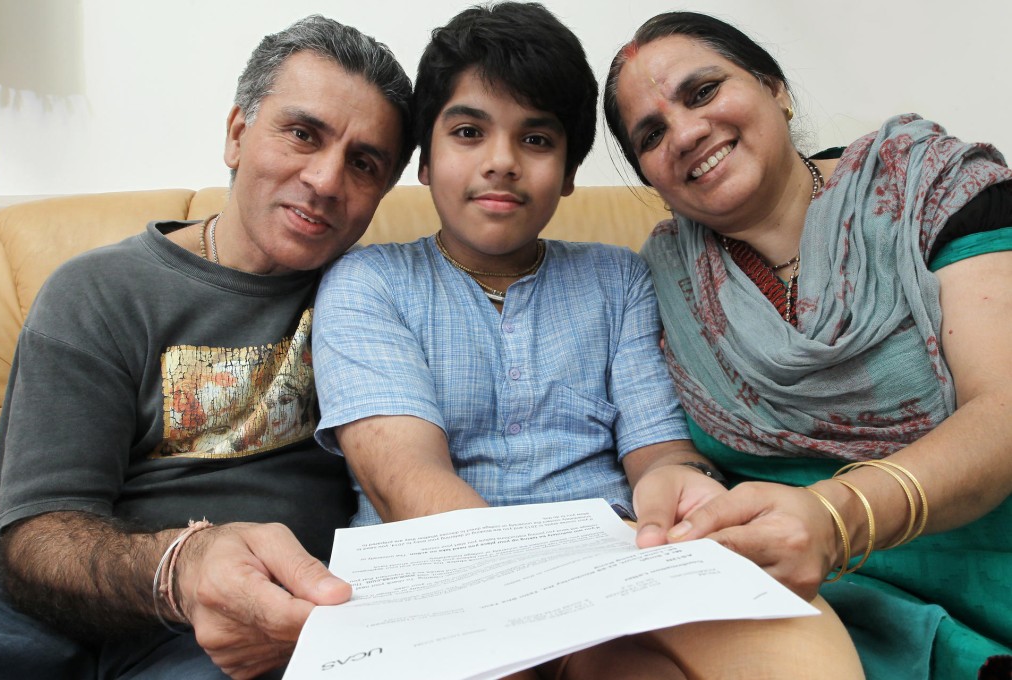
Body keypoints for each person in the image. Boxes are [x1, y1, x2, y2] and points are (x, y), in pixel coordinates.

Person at [312, 4, 864, 678]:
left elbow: (658, 450)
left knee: (778, 639)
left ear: (570, 174)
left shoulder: (620, 279)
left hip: (614, 586)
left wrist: (681, 487)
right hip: (432, 594)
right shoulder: (368, 282)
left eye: (536, 141)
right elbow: (409, 486)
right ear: (426, 161)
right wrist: (548, 604)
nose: (502, 163)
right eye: (467, 132)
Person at [0, 14, 414, 679]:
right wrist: (181, 568)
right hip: (105, 602)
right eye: (302, 134)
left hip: (279, 621)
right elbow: (36, 537)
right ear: (238, 134)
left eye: (365, 164)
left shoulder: (383, 300)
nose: (327, 180)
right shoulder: (97, 293)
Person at [604, 10, 1012, 679]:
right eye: (650, 134)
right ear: (652, 179)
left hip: (981, 568)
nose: (684, 132)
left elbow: (1003, 411)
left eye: (701, 92)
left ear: (776, 88)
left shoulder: (928, 188)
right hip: (790, 608)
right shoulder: (664, 278)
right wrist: (681, 478)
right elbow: (680, 455)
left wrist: (837, 515)